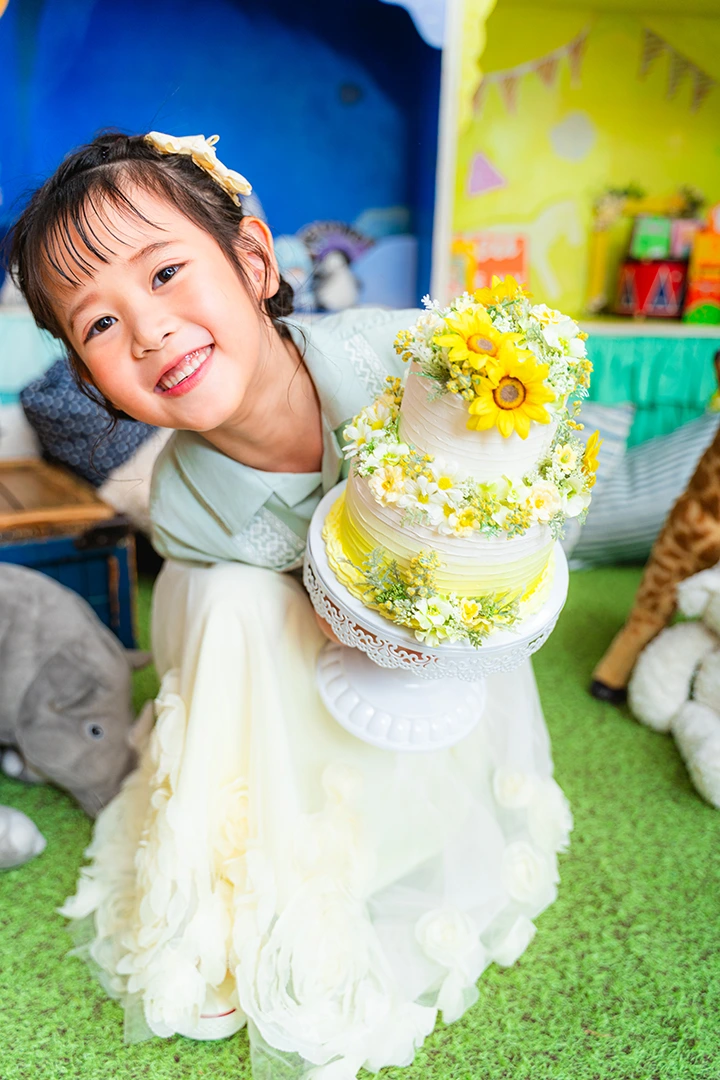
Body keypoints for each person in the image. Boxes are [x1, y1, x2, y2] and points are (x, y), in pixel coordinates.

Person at [8, 131, 572, 1079]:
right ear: (90, 378)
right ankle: (268, 869)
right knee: (226, 598)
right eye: (98, 325)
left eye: (166, 273)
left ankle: (391, 831)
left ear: (255, 262)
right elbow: (259, 654)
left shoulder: (403, 363)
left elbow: (512, 493)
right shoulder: (183, 502)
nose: (147, 331)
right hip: (277, 650)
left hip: (419, 635)